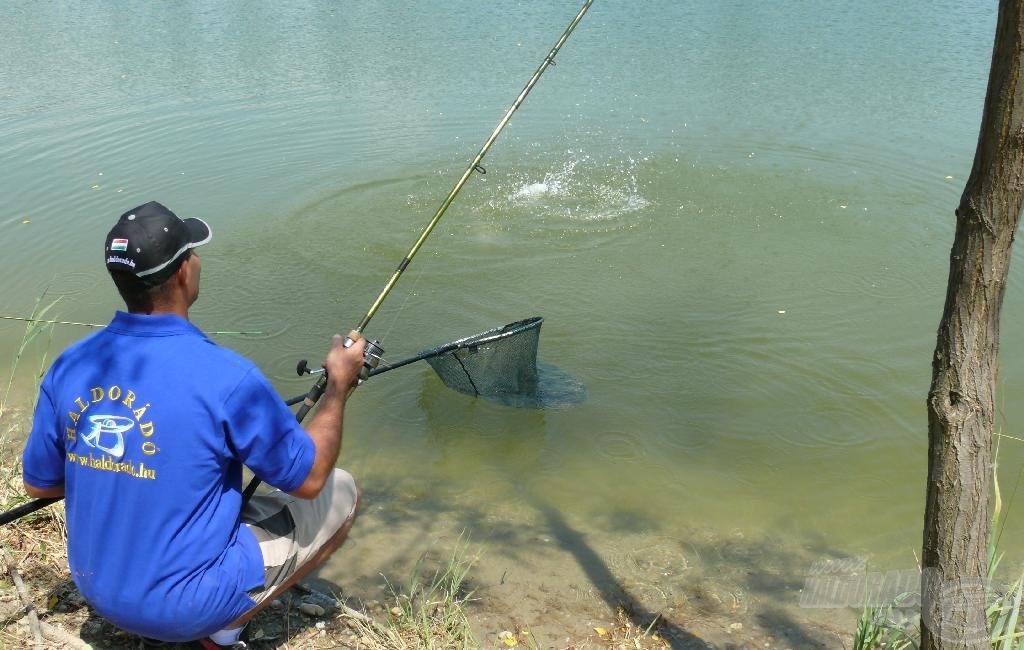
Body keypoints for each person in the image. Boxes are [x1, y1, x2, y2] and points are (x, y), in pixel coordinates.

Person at [21, 201, 366, 648]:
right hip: (181, 610)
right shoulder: (227, 376)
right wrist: (338, 387)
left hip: (97, 588)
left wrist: (116, 469)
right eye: (194, 253)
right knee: (342, 489)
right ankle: (222, 629)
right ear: (185, 272)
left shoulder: (71, 364)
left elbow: (40, 485)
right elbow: (310, 478)